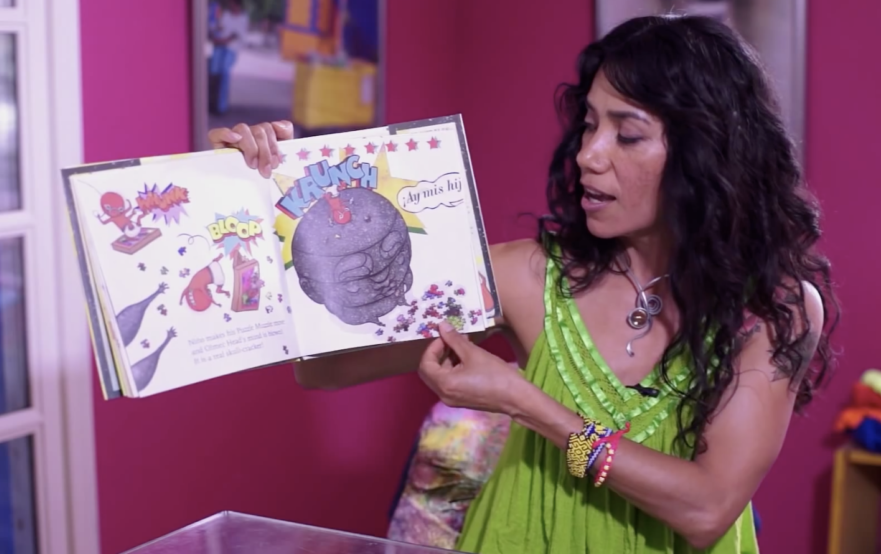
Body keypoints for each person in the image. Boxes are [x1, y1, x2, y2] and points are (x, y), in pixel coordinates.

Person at [207, 14, 838, 554]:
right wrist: (270, 205)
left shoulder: (773, 307)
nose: (590, 152)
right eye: (589, 124)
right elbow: (324, 369)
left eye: (628, 133)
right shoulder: (527, 275)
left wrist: (524, 401)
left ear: (709, 152)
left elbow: (706, 509)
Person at [208, 0, 249, 115]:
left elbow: (235, 36)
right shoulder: (226, 15)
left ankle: (221, 106)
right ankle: (212, 103)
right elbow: (221, 29)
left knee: (224, 73)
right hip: (220, 46)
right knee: (214, 72)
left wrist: (223, 40)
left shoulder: (242, 18)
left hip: (231, 48)